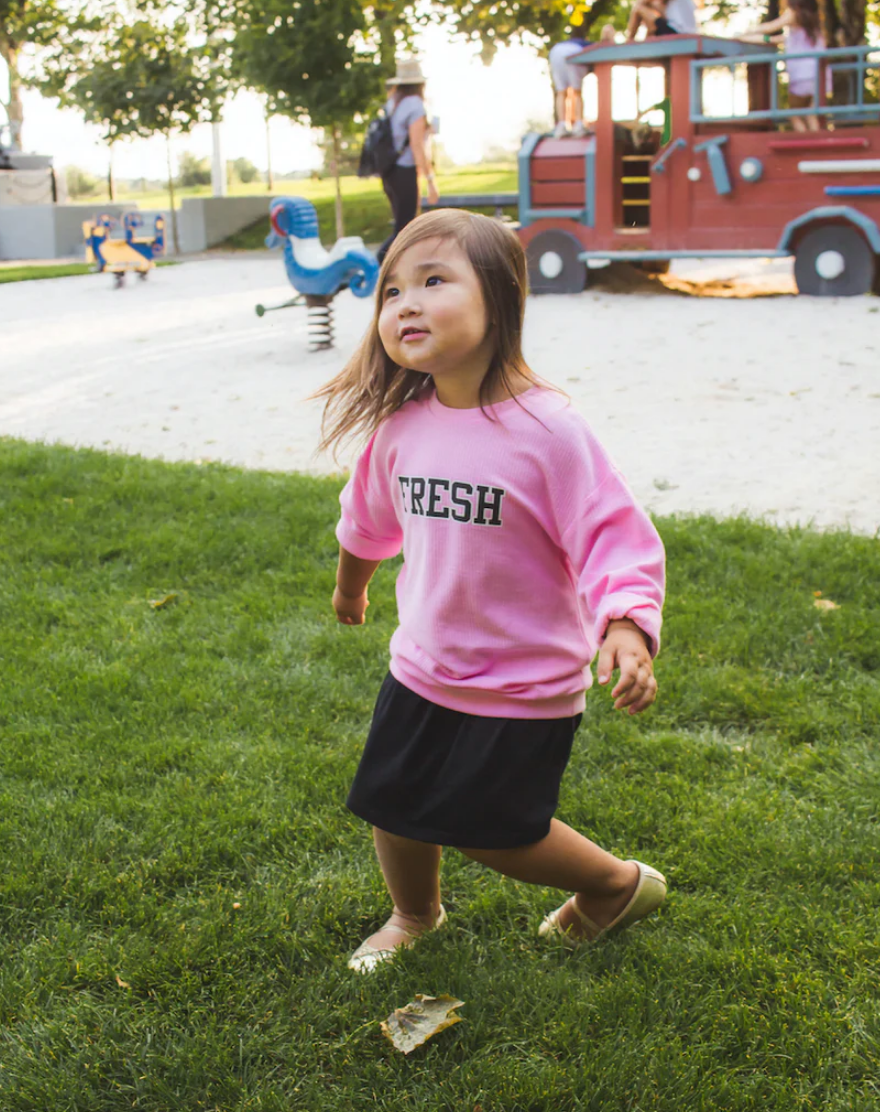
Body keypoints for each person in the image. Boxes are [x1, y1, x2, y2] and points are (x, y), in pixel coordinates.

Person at [312, 209, 668, 974]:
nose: (405, 303)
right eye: (392, 290)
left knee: (493, 830)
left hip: (521, 682)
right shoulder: (401, 429)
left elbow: (612, 533)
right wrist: (351, 590)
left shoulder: (548, 432)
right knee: (392, 800)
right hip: (425, 664)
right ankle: (415, 913)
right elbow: (365, 520)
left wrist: (627, 626)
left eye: (433, 281)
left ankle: (615, 884)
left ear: (499, 297)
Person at [377, 57, 439, 264]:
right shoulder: (416, 105)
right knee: (406, 229)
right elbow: (417, 145)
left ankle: (391, 270)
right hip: (404, 171)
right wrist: (430, 180)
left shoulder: (392, 103)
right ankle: (376, 265)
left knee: (403, 226)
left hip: (389, 171)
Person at [745, 0, 829, 132]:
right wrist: (749, 37)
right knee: (810, 113)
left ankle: (806, 141)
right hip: (821, 74)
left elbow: (769, 28)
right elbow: (773, 39)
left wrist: (748, 31)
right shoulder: (812, 23)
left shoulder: (793, 14)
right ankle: (816, 143)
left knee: (793, 114)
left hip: (803, 74)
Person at [548, 26, 593, 137]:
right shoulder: (584, 44)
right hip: (574, 54)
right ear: (585, 36)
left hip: (555, 52)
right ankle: (579, 124)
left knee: (561, 92)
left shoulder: (562, 43)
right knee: (577, 92)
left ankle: (561, 125)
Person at [626, 0, 699, 40]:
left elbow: (642, 2)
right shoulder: (678, 5)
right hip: (688, 33)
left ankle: (628, 42)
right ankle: (648, 39)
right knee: (654, 7)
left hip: (676, 33)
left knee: (638, 8)